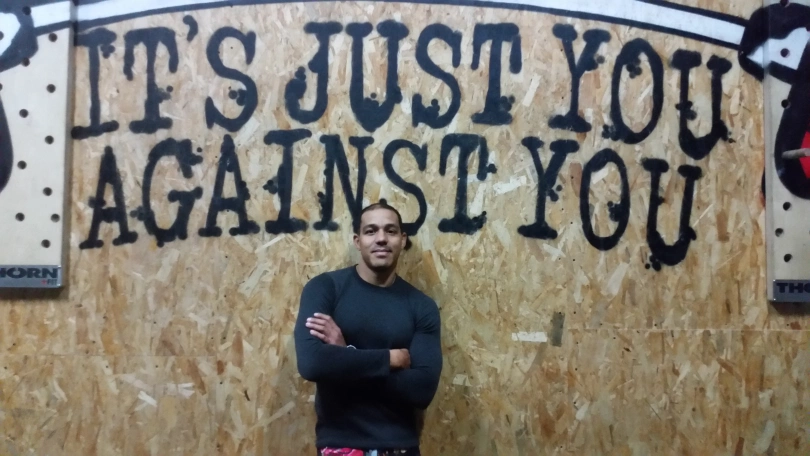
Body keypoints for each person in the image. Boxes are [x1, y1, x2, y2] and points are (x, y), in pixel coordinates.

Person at [294, 201, 443, 456]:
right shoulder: (325, 288)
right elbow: (312, 363)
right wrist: (389, 359)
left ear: (402, 239)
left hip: (400, 446)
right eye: (371, 231)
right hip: (341, 444)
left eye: (391, 231)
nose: (381, 238)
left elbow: (422, 390)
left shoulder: (421, 306)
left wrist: (345, 355)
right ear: (358, 240)